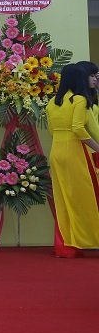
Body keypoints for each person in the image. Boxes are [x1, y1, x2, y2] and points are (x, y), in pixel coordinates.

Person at [45, 63, 99, 256]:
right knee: (84, 198)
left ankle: (67, 244)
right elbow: (78, 129)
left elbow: (51, 130)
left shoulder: (52, 102)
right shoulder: (80, 100)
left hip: (56, 151)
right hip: (74, 151)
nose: (93, 79)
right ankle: (88, 240)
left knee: (63, 200)